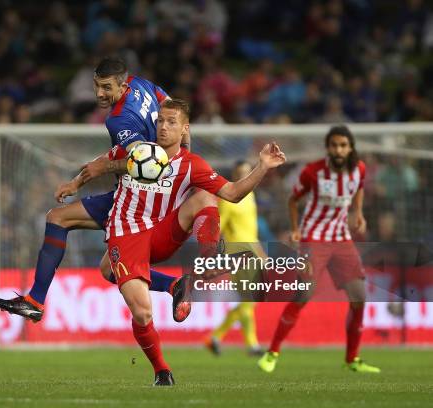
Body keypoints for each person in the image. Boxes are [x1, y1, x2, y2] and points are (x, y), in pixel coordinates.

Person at [0, 57, 222, 323]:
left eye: (106, 87)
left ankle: (35, 300)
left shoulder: (118, 120)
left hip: (138, 200)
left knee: (58, 218)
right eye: (97, 86)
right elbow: (177, 119)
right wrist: (77, 182)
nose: (100, 93)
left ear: (122, 85)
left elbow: (143, 163)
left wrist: (108, 167)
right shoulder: (142, 84)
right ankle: (175, 286)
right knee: (106, 268)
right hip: (157, 192)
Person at [79, 99, 284, 385]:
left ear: (184, 129)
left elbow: (234, 193)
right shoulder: (136, 150)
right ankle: (163, 371)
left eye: (171, 122)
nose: (163, 126)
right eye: (160, 120)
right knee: (137, 306)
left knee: (205, 196)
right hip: (128, 235)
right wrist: (77, 182)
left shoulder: (191, 164)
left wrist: (262, 166)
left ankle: (210, 255)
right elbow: (103, 162)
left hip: (163, 235)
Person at [257, 125, 381, 374]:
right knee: (304, 294)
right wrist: (295, 229)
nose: (338, 149)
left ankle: (352, 359)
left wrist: (358, 213)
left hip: (342, 240)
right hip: (313, 239)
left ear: (350, 148)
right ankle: (272, 352)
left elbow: (359, 188)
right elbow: (293, 200)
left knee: (359, 297)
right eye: (334, 145)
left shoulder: (359, 169)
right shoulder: (313, 172)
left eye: (343, 145)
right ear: (328, 147)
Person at [204, 161, 266, 357]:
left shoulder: (251, 196)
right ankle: (244, 343)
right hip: (238, 252)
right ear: (234, 175)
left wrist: (260, 253)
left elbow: (250, 230)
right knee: (251, 298)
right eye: (241, 174)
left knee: (250, 299)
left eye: (249, 174)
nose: (246, 178)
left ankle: (223, 340)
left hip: (251, 250)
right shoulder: (231, 199)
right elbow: (219, 226)